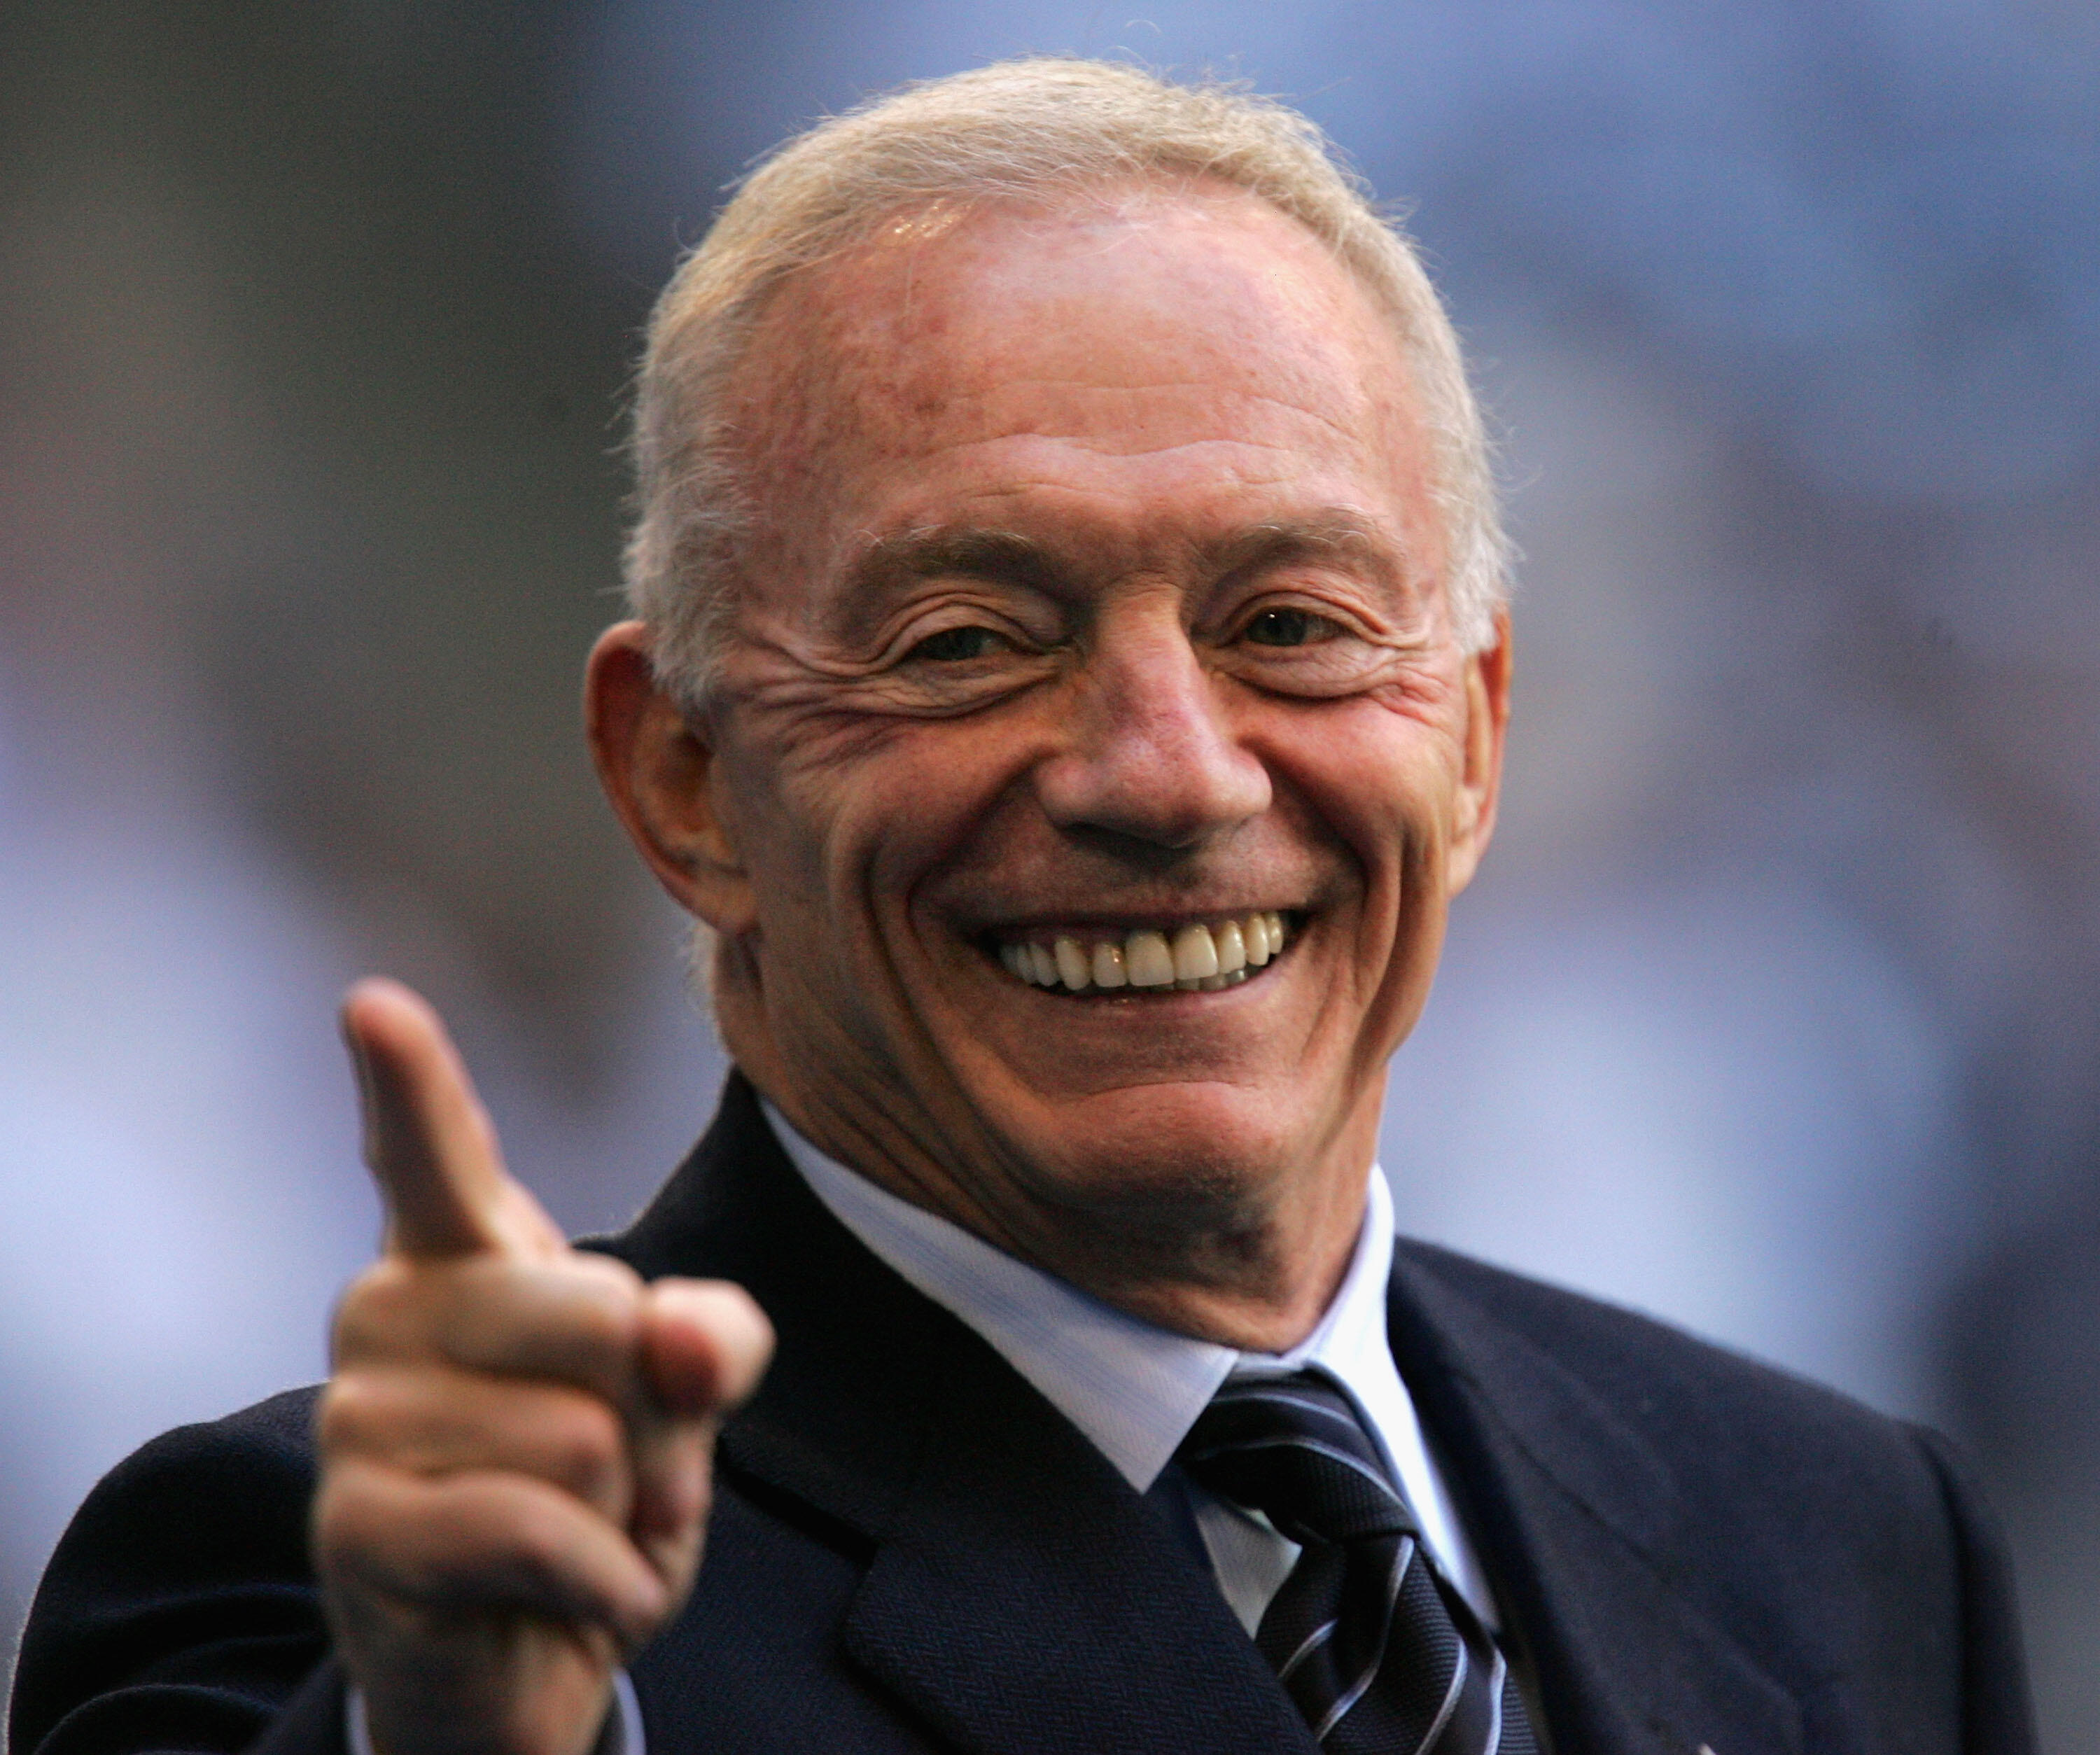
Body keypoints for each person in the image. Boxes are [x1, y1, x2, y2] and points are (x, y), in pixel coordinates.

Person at [11, 58, 2034, 1755]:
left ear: (1479, 730)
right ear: (682, 777)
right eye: (971, 638)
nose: (1168, 770)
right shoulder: (353, 1584)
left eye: (1292, 626)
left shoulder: (1843, 1534)